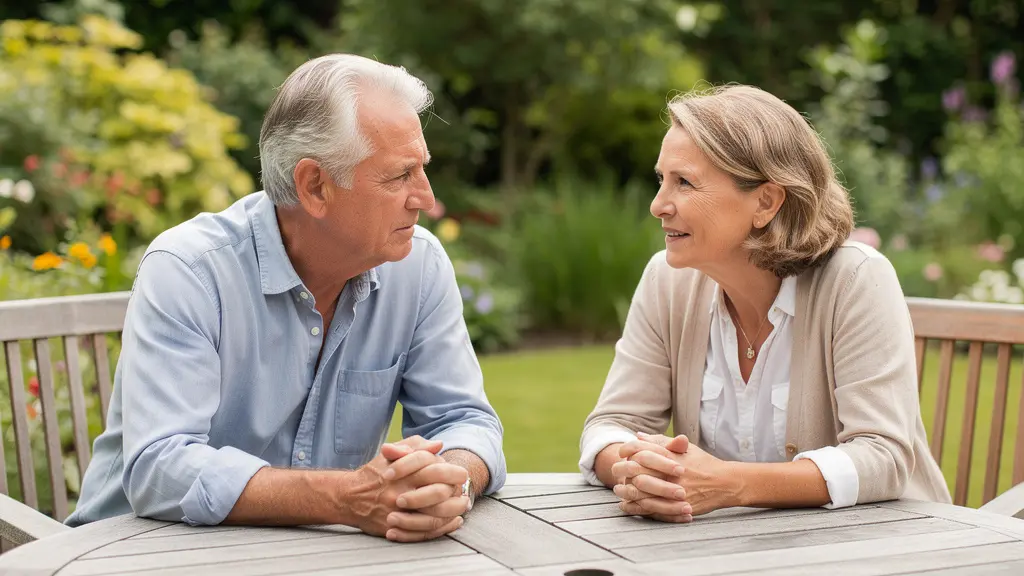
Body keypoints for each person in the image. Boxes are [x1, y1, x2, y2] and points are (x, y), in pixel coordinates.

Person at [66, 54, 506, 543]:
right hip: (131, 554)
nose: (424, 197)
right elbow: (161, 467)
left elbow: (464, 420)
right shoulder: (190, 269)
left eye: (421, 169)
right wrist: (348, 497)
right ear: (314, 186)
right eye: (398, 176)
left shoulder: (418, 265)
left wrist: (453, 482)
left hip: (308, 555)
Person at [578, 84, 951, 522]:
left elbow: (882, 456)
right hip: (740, 554)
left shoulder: (856, 280)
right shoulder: (666, 281)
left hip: (892, 549)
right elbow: (610, 424)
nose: (658, 204)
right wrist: (643, 469)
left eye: (684, 182)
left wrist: (728, 484)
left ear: (766, 201)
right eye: (662, 179)